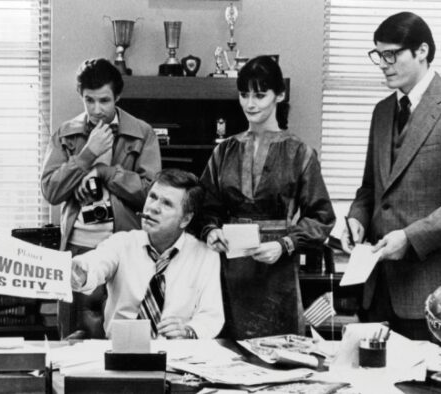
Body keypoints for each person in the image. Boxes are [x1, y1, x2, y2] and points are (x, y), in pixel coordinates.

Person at [341, 12, 441, 340]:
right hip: (376, 291)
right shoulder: (382, 112)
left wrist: (410, 238)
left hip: (433, 296)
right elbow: (370, 189)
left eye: (391, 54)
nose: (383, 63)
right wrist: (357, 218)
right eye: (378, 55)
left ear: (421, 51)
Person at [199, 55, 336, 339]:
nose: (250, 104)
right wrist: (210, 230)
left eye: (260, 95)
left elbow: (322, 217)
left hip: (277, 270)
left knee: (279, 356)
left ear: (280, 95)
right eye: (244, 94)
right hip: (229, 267)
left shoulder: (300, 153)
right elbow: (204, 205)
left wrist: (285, 245)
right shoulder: (224, 151)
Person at [41, 58, 161, 338]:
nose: (97, 110)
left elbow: (150, 194)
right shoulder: (65, 134)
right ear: (80, 97)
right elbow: (50, 191)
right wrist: (85, 157)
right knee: (73, 340)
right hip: (77, 250)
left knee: (126, 340)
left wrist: (103, 171)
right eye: (89, 100)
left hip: (125, 252)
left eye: (104, 100)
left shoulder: (142, 134)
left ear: (118, 97)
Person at [71, 169, 223, 339]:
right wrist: (82, 272)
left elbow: (211, 316)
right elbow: (97, 263)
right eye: (152, 197)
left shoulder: (205, 255)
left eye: (167, 203)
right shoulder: (122, 243)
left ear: (185, 219)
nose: (153, 207)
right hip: (120, 352)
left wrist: (188, 331)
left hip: (176, 354)